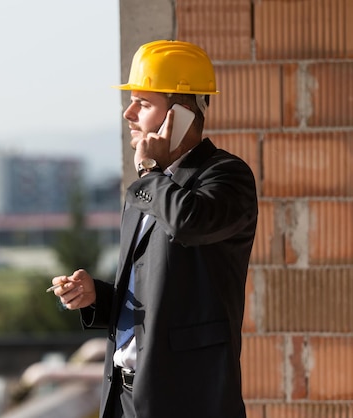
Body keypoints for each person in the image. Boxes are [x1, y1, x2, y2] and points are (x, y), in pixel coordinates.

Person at [50, 40, 258, 418]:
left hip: (187, 400)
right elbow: (157, 297)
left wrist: (150, 171)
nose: (128, 114)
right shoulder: (145, 190)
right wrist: (97, 295)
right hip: (125, 397)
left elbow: (190, 222)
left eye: (143, 104)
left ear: (178, 115)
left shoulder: (227, 176)